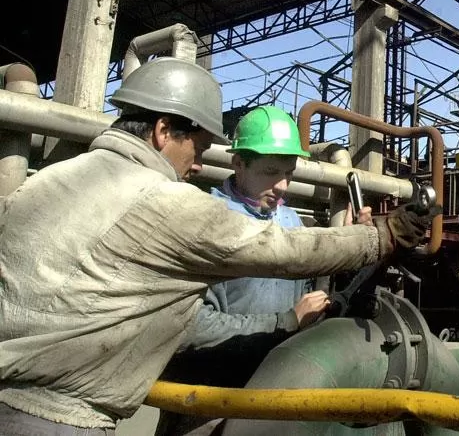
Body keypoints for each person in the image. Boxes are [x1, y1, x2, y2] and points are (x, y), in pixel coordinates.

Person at [0, 57, 432, 435]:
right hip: (61, 417)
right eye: (200, 146)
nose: (202, 162)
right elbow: (285, 254)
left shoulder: (52, 178)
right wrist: (383, 235)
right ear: (163, 130)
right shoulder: (167, 203)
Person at [155, 105, 370, 435]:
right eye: (271, 172)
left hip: (267, 391)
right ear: (238, 163)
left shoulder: (291, 222)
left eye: (289, 173)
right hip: (202, 401)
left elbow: (310, 305)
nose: (283, 185)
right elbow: (190, 327)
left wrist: (351, 250)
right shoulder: (205, 220)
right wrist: (285, 322)